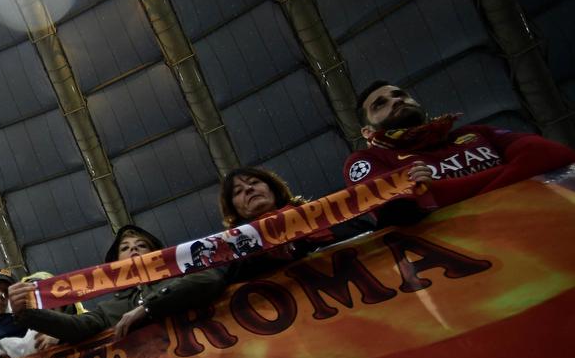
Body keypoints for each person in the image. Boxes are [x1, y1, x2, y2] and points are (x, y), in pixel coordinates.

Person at [346, 81, 575, 224]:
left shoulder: (477, 132)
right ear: (367, 131)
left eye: (400, 94)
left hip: (548, 222)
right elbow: (398, 212)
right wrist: (511, 173)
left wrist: (436, 191)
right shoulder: (366, 160)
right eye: (380, 104)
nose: (396, 100)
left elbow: (550, 154)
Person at [9, 225, 226, 343]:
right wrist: (26, 313)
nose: (134, 250)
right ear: (115, 263)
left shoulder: (179, 278)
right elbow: (77, 328)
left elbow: (209, 278)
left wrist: (147, 308)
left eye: (142, 246)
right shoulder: (107, 310)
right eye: (126, 248)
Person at [218, 167, 373, 282]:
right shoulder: (237, 254)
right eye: (237, 192)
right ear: (233, 209)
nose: (249, 188)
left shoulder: (323, 214)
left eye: (254, 182)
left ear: (272, 188)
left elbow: (367, 233)